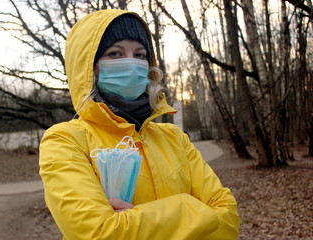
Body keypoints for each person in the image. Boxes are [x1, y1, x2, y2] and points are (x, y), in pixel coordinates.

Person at [39, 9, 240, 240]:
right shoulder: (65, 140)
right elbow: (100, 233)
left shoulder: (175, 138)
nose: (131, 63)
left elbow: (228, 216)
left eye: (140, 55)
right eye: (115, 53)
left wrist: (134, 223)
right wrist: (191, 210)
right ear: (90, 68)